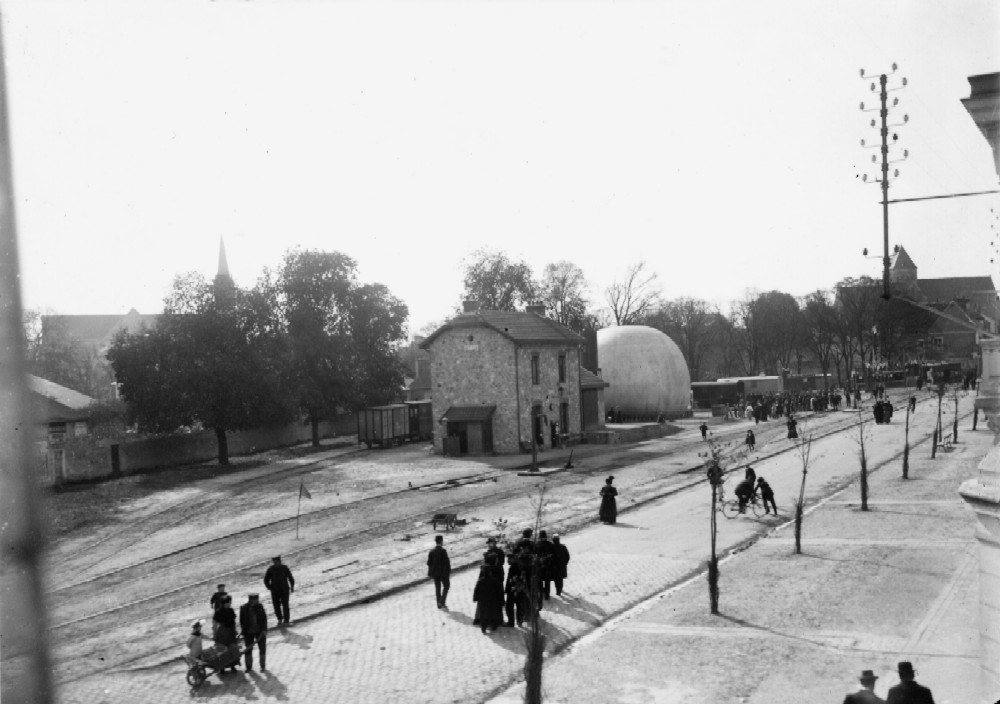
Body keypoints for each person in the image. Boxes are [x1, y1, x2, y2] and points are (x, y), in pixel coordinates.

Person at [473, 553, 505, 634]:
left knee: (484, 611)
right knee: (494, 609)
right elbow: (501, 580)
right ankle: (494, 623)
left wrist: (476, 597)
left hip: (485, 596)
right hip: (494, 594)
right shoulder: (497, 568)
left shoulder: (484, 569)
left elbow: (478, 583)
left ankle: (484, 624)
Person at [239, 593, 268, 672]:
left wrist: (264, 629)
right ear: (250, 600)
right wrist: (243, 630)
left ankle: (262, 666)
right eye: (254, 600)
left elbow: (264, 619)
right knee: (248, 649)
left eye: (256, 600)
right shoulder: (244, 608)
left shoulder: (260, 607)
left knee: (262, 649)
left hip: (260, 631)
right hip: (248, 632)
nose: (256, 602)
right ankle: (248, 667)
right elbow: (241, 621)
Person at [264, 555, 295, 625]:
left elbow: (290, 578)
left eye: (278, 561)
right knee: (276, 606)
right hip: (275, 591)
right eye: (275, 562)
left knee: (285, 605)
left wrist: (292, 586)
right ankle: (280, 619)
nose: (277, 563)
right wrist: (270, 587)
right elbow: (266, 580)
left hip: (284, 590)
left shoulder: (284, 568)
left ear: (280, 561)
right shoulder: (271, 569)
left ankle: (286, 621)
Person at [427, 534, 451, 609]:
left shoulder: (431, 552)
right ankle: (442, 601)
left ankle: (439, 604)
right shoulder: (443, 551)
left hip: (435, 573)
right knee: (446, 586)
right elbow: (447, 563)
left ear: (436, 542)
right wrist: (448, 571)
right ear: (441, 542)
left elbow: (428, 563)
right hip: (443, 573)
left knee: (438, 588)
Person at [536, 530, 555, 600]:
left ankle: (541, 594)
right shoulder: (550, 544)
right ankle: (547, 595)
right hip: (548, 565)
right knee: (547, 581)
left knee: (540, 581)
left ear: (540, 537)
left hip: (539, 566)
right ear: (546, 536)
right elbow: (553, 555)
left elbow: (535, 555)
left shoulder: (537, 544)